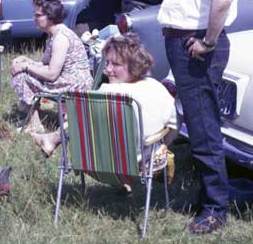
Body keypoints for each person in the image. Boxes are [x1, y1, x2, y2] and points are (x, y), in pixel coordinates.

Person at [157, 0, 240, 234]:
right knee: (197, 122)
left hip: (196, 46)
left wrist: (207, 41)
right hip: (184, 44)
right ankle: (208, 196)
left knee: (204, 128)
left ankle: (216, 209)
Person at [32, 33, 178, 159]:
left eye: (115, 64)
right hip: (145, 162)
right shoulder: (157, 88)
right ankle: (52, 138)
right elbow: (174, 126)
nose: (107, 70)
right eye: (107, 63)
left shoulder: (107, 92)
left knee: (81, 116)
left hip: (99, 162)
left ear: (134, 64)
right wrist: (159, 147)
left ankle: (53, 138)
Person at [10, 0, 92, 133]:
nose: (34, 18)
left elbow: (51, 74)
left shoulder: (61, 37)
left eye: (38, 15)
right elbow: (45, 65)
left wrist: (25, 67)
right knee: (23, 72)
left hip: (74, 85)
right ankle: (33, 121)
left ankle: (34, 124)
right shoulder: (54, 34)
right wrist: (26, 60)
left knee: (21, 77)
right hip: (68, 79)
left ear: (50, 17)